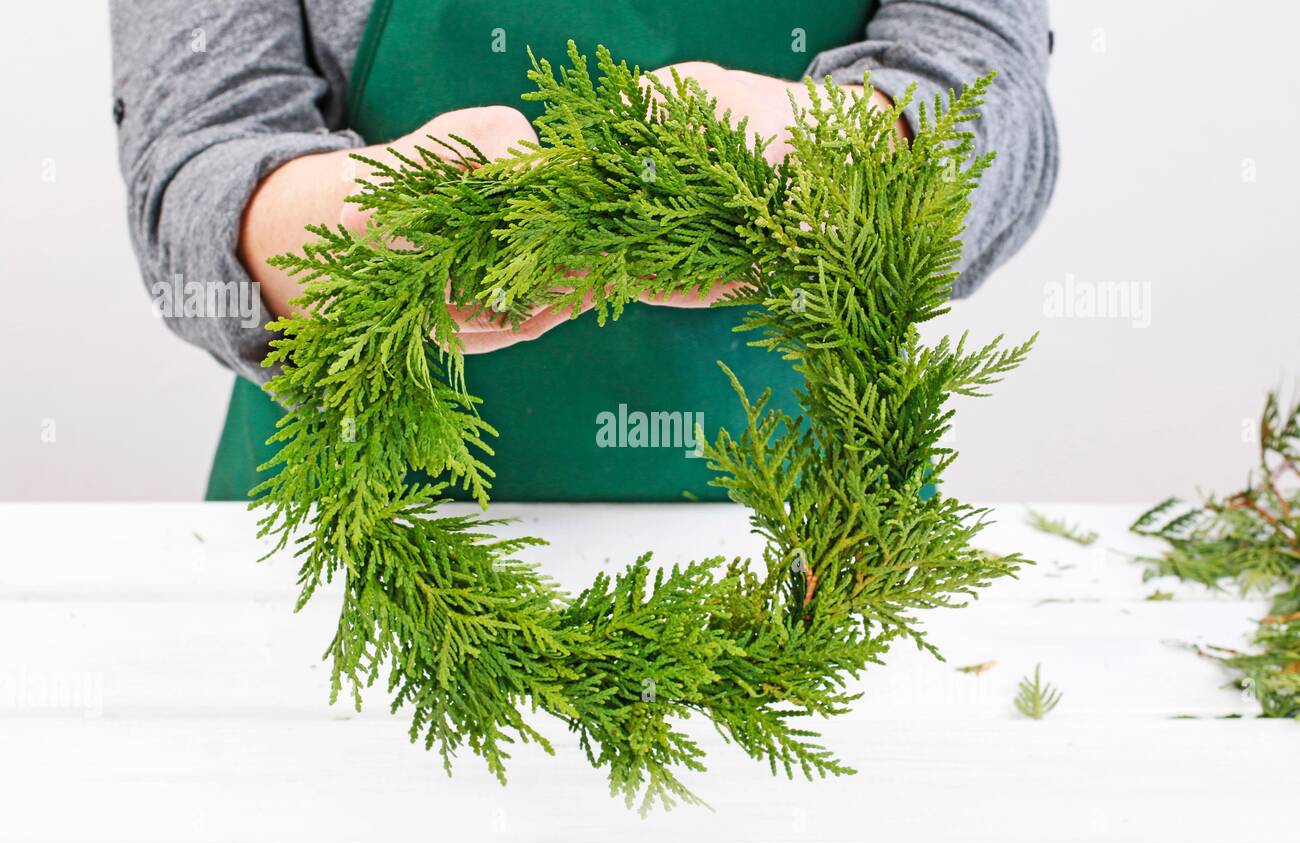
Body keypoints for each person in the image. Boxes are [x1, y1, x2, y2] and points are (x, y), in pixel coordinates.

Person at [109, 0, 1058, 502]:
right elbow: (193, 159)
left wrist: (846, 163)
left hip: (814, 537)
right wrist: (341, 236)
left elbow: (990, 82)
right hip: (359, 540)